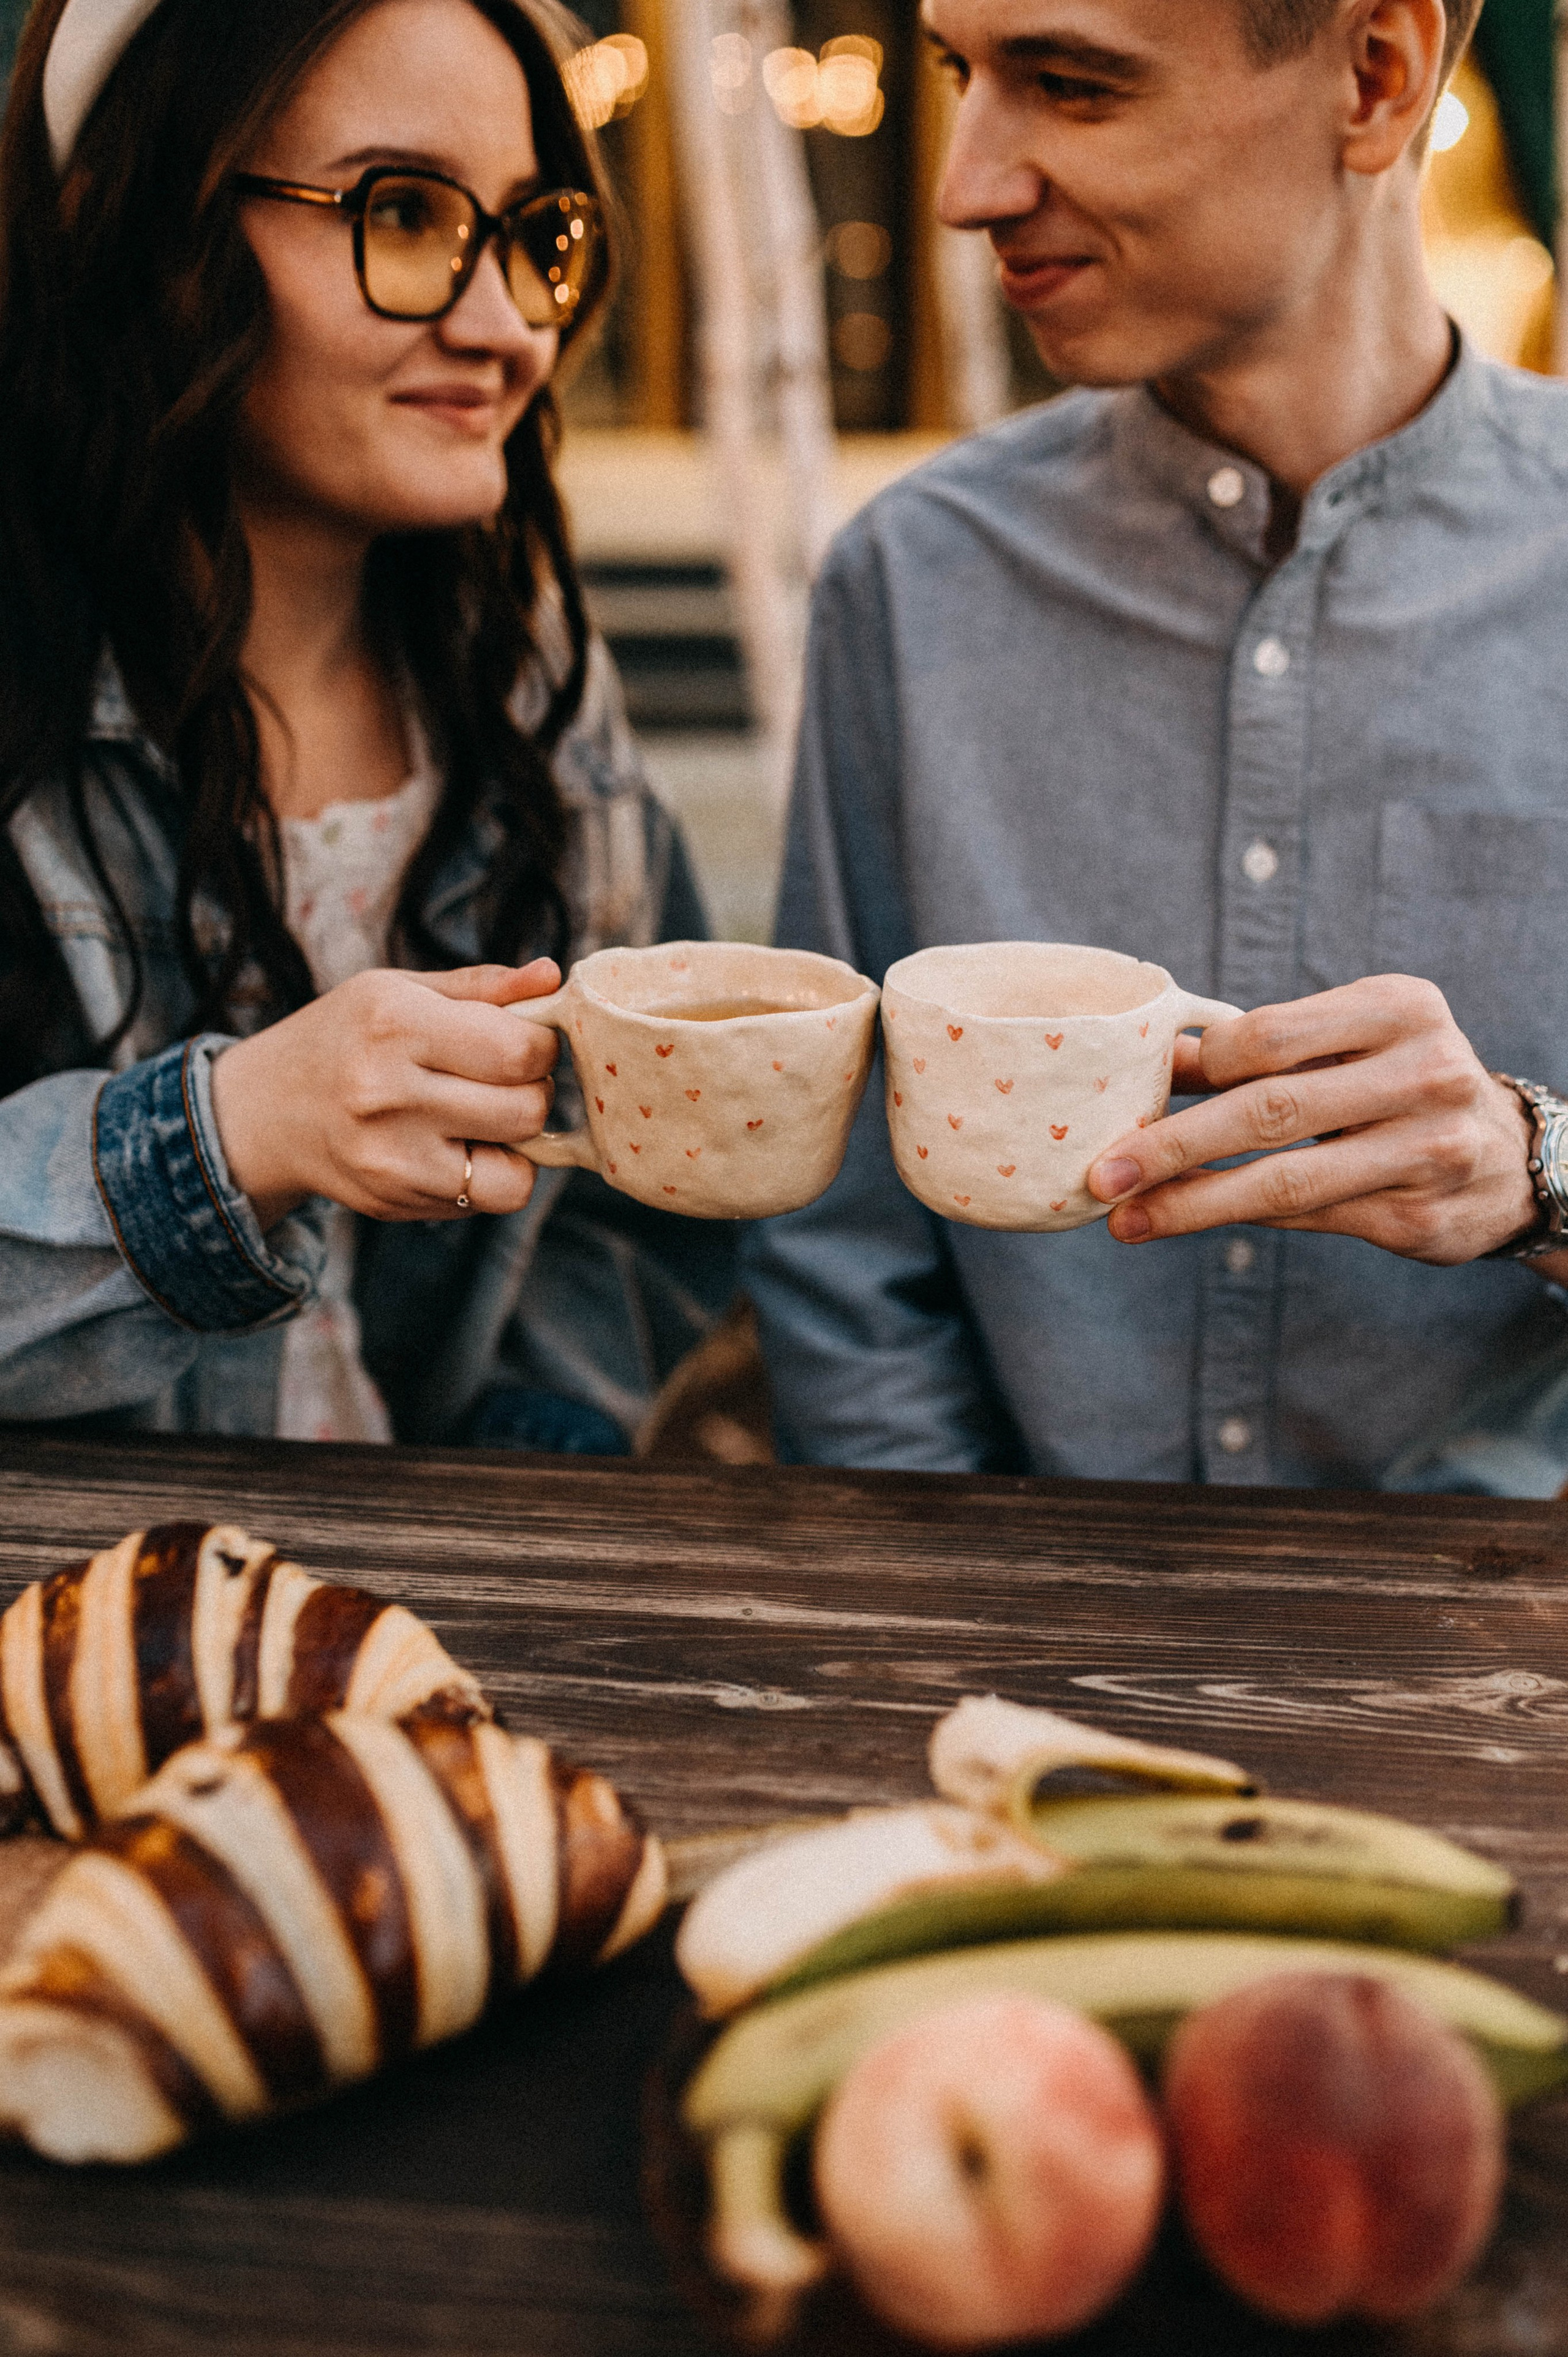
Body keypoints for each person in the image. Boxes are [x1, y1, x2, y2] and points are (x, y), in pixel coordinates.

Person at [747, 0, 1568, 1485]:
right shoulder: (911, 579)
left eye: (1069, 84)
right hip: (998, 1666)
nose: (963, 187)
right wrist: (962, 1632)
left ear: (1373, 76)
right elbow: (839, 1243)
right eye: (958, 78)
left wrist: (1542, 1176)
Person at [0, 0, 731, 1448]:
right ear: (146, 226)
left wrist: (533, 1462)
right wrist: (232, 1141)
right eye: (402, 213)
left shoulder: (531, 695)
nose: (503, 321)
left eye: (536, 234)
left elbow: (631, 1211)